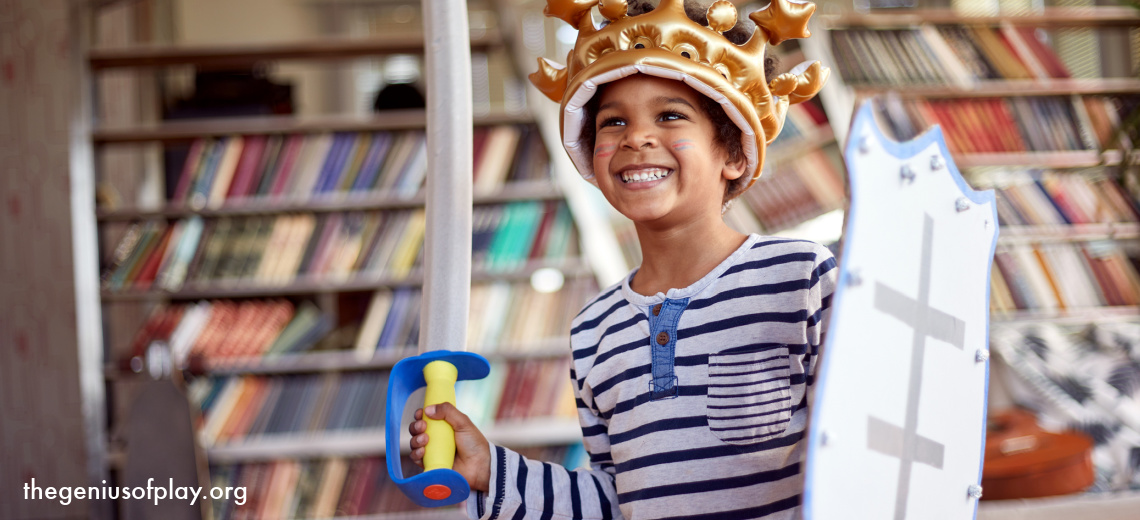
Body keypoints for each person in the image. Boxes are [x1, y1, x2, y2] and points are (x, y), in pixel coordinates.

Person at [410, 0, 835, 518]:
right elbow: (616, 500)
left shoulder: (801, 278)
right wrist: (492, 472)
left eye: (670, 115)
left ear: (735, 153)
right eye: (613, 123)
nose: (635, 137)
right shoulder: (594, 331)